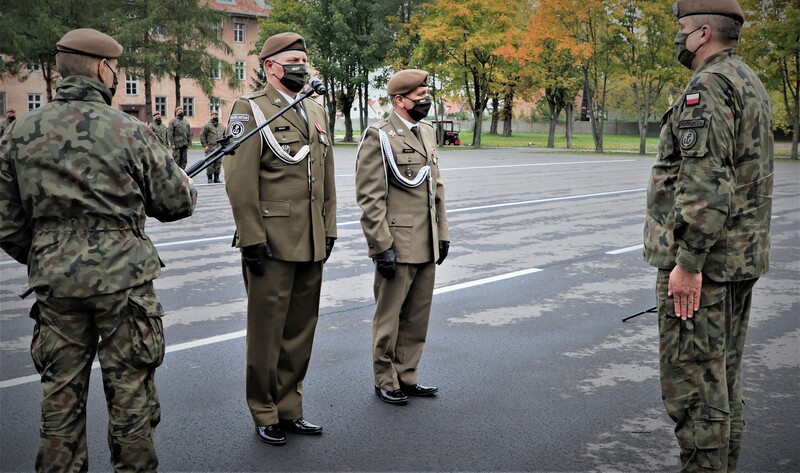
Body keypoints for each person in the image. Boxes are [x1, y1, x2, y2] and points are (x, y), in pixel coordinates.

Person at [0, 28, 197, 472]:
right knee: (131, 399)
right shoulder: (131, 129)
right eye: (114, 69)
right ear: (102, 69)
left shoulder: (19, 132)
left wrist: (48, 252)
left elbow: (7, 222)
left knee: (59, 401)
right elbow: (175, 203)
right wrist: (182, 183)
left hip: (55, 285)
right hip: (124, 285)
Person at [643, 1, 773, 471]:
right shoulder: (747, 80)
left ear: (701, 33)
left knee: (696, 389)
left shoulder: (709, 86)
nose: (677, 38)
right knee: (723, 382)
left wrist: (688, 262)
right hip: (738, 259)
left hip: (708, 266)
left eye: (681, 29)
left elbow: (705, 181)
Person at [223, 32, 336, 446]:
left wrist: (329, 227)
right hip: (270, 239)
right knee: (267, 332)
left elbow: (326, 178)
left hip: (309, 238)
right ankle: (264, 409)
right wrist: (251, 237)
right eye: (292, 60)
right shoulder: (250, 109)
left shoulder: (314, 108)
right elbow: (239, 180)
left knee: (301, 329)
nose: (301, 68)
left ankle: (291, 407)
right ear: (270, 66)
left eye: (304, 61)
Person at [355, 69, 449, 406]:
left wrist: (443, 233)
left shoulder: (425, 131)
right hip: (396, 241)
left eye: (426, 95)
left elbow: (435, 187)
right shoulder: (378, 135)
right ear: (399, 100)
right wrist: (381, 246)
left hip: (425, 240)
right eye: (420, 97)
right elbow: (370, 197)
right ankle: (385, 378)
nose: (426, 101)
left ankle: (407, 374)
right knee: (390, 316)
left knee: (417, 315)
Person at [200, 111, 225, 183]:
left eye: (216, 115)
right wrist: (204, 145)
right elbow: (202, 136)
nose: (215, 116)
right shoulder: (207, 126)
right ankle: (210, 178)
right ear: (210, 116)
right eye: (213, 115)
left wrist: (223, 146)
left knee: (218, 163)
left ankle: (216, 178)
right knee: (210, 163)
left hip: (219, 148)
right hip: (210, 148)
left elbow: (224, 136)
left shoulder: (222, 127)